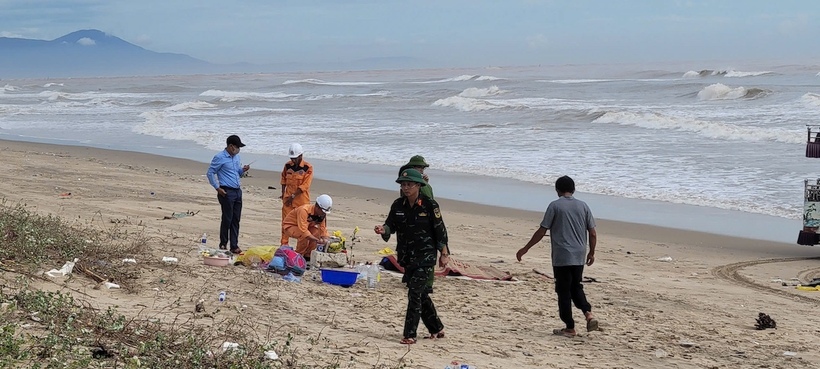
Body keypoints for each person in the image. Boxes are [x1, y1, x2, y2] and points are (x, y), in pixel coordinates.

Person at [516, 175, 599, 337]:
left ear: (557, 190)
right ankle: (588, 313)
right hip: (579, 254)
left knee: (563, 291)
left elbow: (542, 231)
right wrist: (592, 252)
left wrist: (526, 248)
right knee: (576, 286)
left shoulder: (555, 206)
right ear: (573, 190)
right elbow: (593, 232)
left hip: (562, 256)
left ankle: (569, 327)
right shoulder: (583, 206)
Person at [374, 169, 449, 344]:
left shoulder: (430, 205)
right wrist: (382, 230)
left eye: (409, 184)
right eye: (403, 184)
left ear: (418, 186)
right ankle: (437, 328)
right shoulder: (398, 205)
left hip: (426, 256)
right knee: (421, 294)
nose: (405, 188)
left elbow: (440, 231)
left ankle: (410, 335)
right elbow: (389, 226)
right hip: (407, 256)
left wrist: (444, 254)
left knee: (414, 293)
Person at [206, 135, 250, 254]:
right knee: (227, 218)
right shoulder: (219, 157)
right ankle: (223, 244)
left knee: (236, 219)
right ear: (231, 146)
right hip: (226, 191)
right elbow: (210, 173)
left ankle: (234, 245)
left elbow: (237, 172)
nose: (238, 149)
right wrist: (217, 188)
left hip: (237, 190)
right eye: (237, 147)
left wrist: (243, 170)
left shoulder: (236, 157)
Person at [280, 143, 314, 246]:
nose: (293, 160)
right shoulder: (287, 165)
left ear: (301, 156)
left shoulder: (308, 168)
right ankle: (284, 245)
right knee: (285, 224)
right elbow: (283, 179)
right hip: (288, 202)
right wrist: (283, 194)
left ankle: (301, 250)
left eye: (295, 158)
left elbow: (305, 186)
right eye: (292, 158)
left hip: (301, 202)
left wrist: (293, 196)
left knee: (302, 226)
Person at [282, 194, 332, 260]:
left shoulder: (321, 215)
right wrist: (317, 240)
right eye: (322, 211)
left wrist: (326, 239)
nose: (323, 214)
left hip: (306, 227)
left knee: (316, 232)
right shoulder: (304, 210)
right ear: (317, 207)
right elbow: (303, 231)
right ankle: (299, 255)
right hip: (290, 226)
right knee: (304, 236)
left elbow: (323, 229)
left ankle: (308, 255)